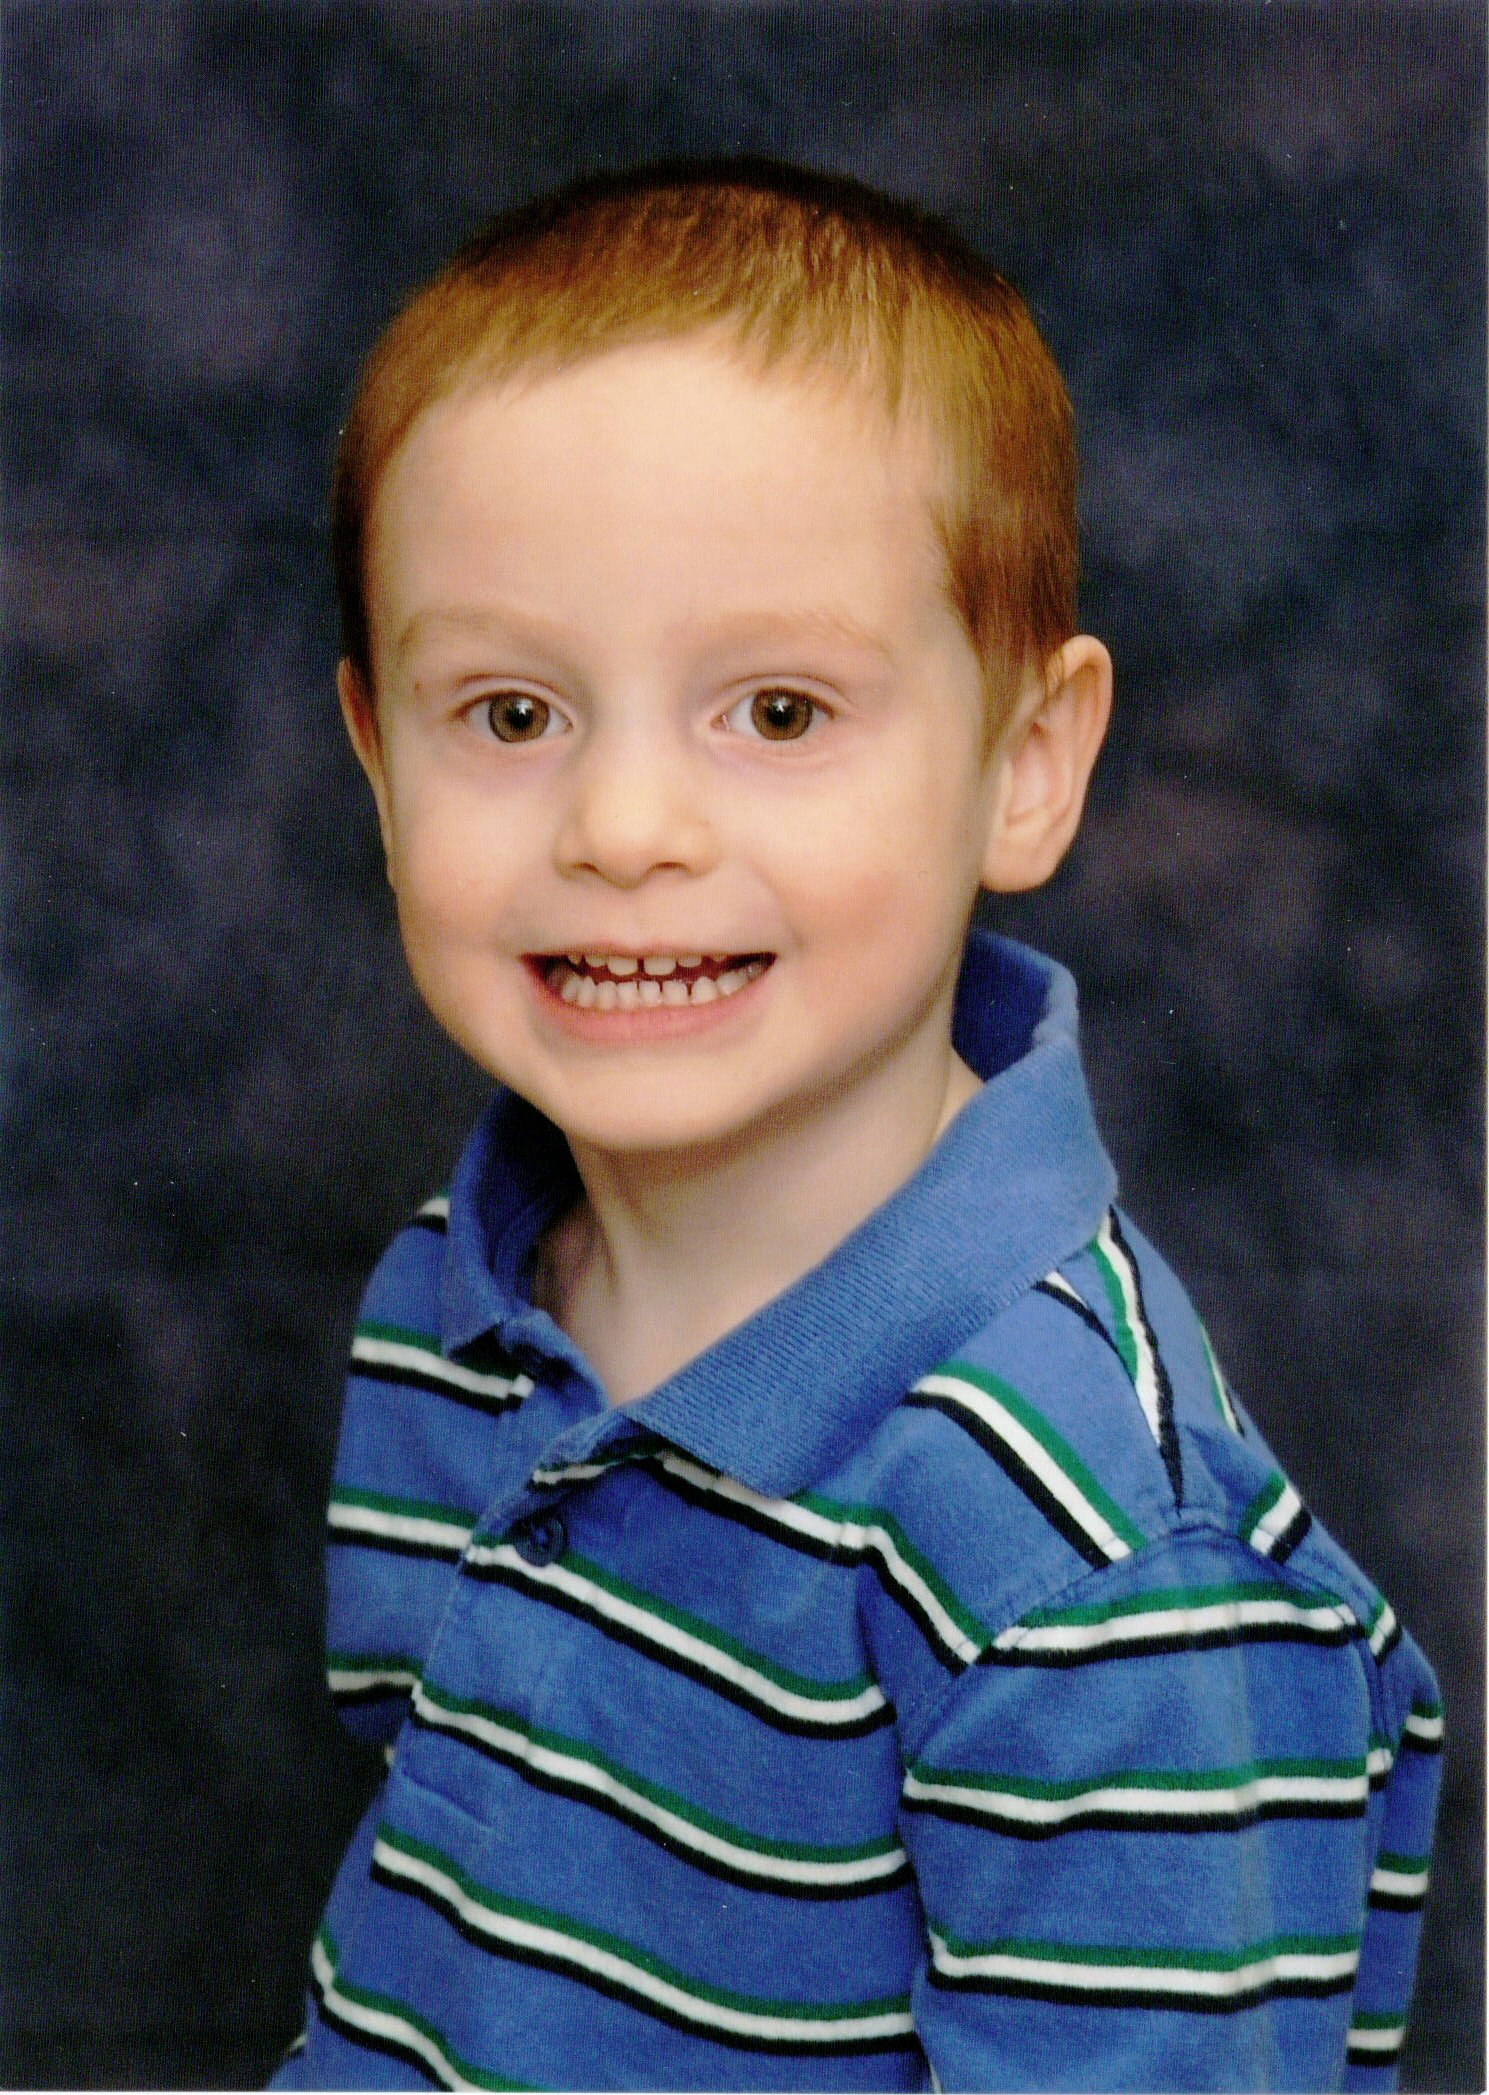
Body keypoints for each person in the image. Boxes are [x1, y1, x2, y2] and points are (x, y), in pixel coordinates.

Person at [272, 159, 1442, 2092]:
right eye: (510, 715)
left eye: (779, 714)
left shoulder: (1087, 1562)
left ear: (1023, 764)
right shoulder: (456, 1296)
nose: (623, 829)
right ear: (378, 764)